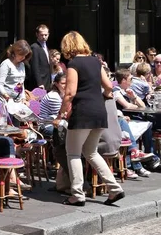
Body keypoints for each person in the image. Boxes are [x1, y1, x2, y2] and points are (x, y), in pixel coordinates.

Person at [56, 31, 124, 206]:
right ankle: (115, 188)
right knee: (91, 152)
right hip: (99, 111)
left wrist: (62, 112)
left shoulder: (73, 64)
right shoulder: (95, 61)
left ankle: (77, 194)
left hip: (82, 112)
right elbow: (109, 86)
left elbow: (70, 93)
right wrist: (101, 98)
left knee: (72, 153)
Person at [0, 40, 32, 107]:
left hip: (18, 101)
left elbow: (21, 83)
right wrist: (6, 96)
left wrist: (23, 98)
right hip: (5, 101)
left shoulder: (22, 64)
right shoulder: (6, 64)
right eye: (21, 55)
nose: (23, 57)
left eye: (25, 55)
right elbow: (0, 84)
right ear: (14, 52)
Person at [39, 72, 66, 137]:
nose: (66, 85)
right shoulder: (54, 97)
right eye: (63, 83)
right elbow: (61, 115)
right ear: (56, 84)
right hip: (46, 126)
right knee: (66, 133)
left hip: (57, 122)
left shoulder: (62, 94)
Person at [29, 25, 52, 90]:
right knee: (38, 99)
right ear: (37, 34)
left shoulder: (46, 47)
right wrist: (39, 83)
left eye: (46, 35)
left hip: (47, 81)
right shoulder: (35, 47)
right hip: (40, 83)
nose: (44, 37)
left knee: (45, 100)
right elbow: (35, 66)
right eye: (41, 35)